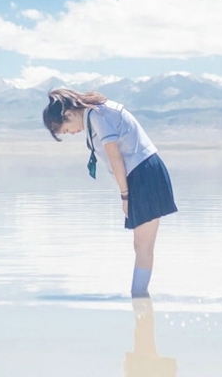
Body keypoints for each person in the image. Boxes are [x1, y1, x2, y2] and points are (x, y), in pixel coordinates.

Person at [43, 88, 178, 298]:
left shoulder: (97, 115)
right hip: (142, 173)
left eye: (68, 130)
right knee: (141, 245)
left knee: (143, 246)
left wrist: (125, 195)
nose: (73, 133)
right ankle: (140, 299)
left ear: (68, 114)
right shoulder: (95, 114)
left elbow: (114, 156)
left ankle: (139, 297)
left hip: (143, 174)